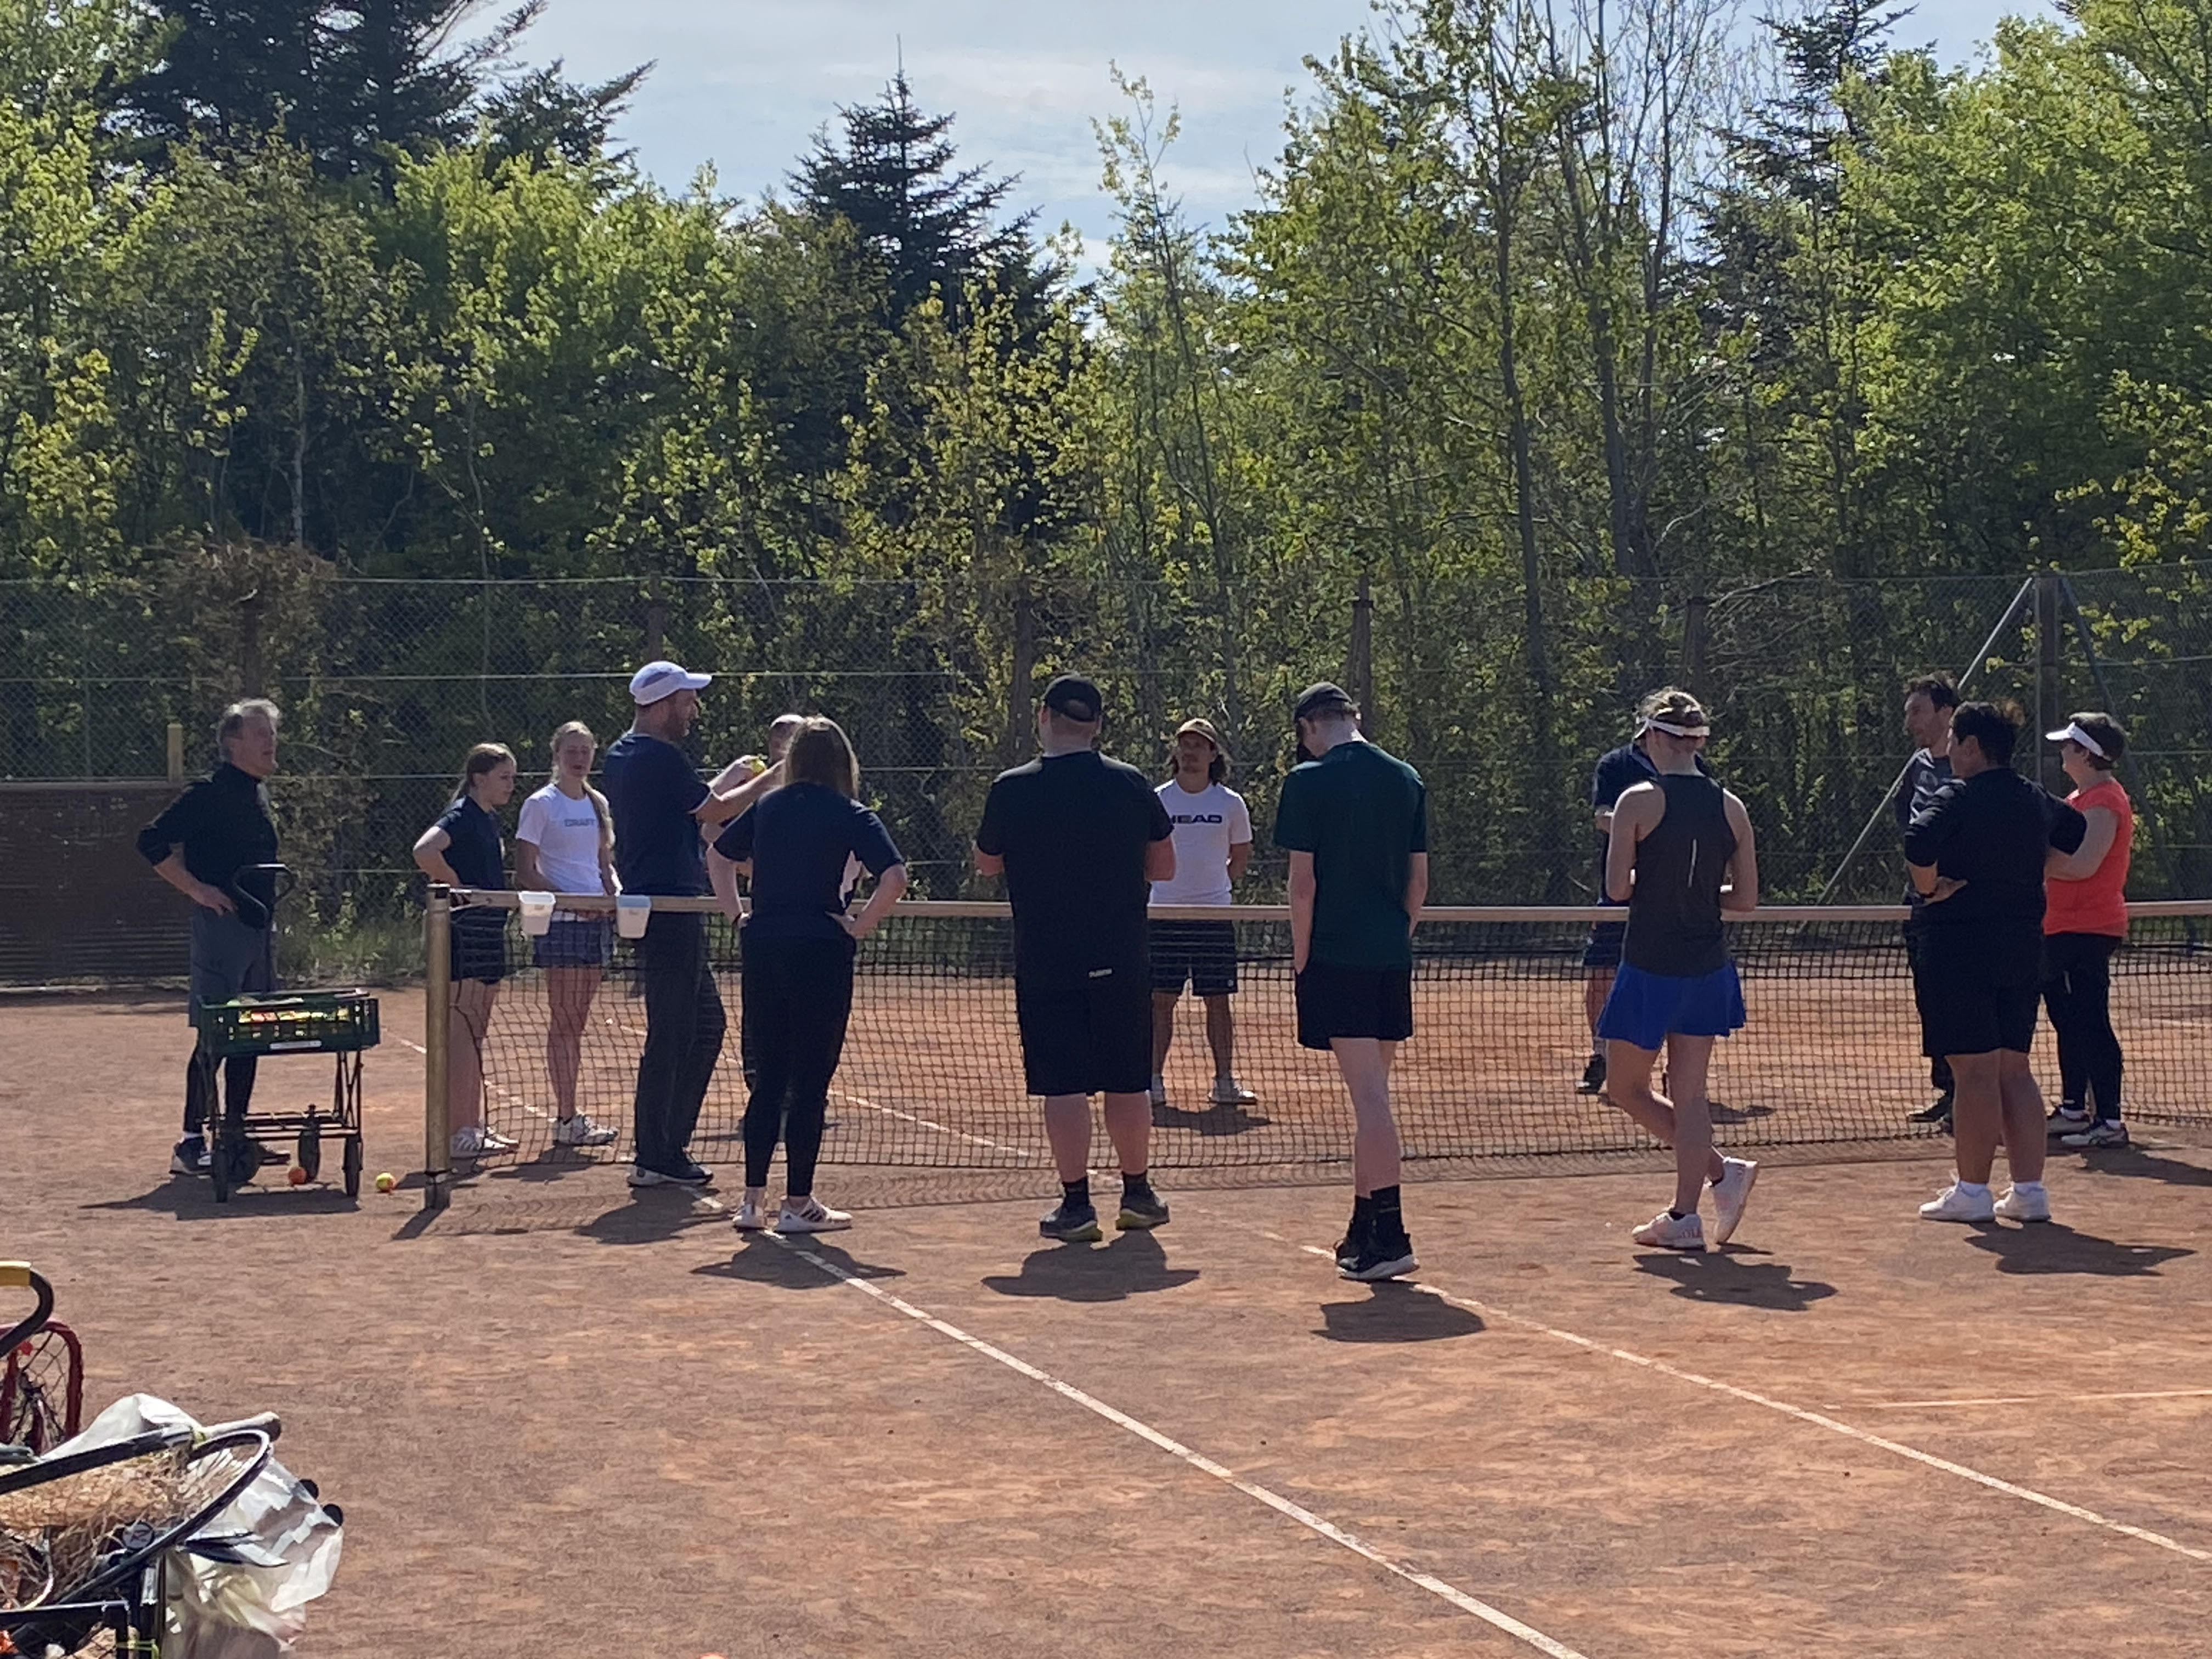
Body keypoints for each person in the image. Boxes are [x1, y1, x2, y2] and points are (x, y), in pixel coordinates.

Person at [975, 674, 1176, 1243]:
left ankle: (1077, 1205)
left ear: (1044, 717)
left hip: (1047, 959)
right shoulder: (1132, 784)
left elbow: (988, 864)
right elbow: (1164, 867)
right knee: (1127, 1079)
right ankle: (1137, 1193)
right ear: (1098, 726)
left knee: (1063, 1085)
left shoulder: (1011, 789)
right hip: (1121, 955)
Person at [708, 718, 908, 1234]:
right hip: (821, 950)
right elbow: (895, 877)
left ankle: (751, 1203)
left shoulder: (768, 807)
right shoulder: (850, 813)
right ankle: (796, 1203)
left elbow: (717, 855)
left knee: (769, 1078)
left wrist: (738, 917)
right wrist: (858, 927)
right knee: (810, 1082)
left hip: (766, 948)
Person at [1904, 701, 2087, 1225]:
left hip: (1959, 946)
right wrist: (2031, 869)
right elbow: (2074, 833)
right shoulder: (2034, 798)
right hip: (2023, 945)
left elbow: (1918, 841)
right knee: (2014, 1069)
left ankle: (1972, 1192)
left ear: (1972, 748)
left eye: (1955, 741)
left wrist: (1929, 890)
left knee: (1974, 1073)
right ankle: (2029, 1193)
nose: (1949, 751)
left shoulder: (1957, 794)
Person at [603, 660, 783, 1189]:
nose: (694, 710)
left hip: (666, 903)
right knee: (675, 1030)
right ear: (662, 706)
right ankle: (655, 1152)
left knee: (703, 1026)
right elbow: (715, 810)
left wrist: (729, 777)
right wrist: (779, 772)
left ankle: (666, 1146)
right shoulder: (658, 757)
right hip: (668, 907)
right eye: (687, 701)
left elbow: (692, 803)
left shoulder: (626, 753)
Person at [1594, 690, 1761, 1253]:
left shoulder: (1635, 802)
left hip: (1650, 965)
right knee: (1689, 1096)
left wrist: (1661, 887)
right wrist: (1691, 890)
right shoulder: (1731, 805)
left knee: (1624, 1086)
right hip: (1706, 966)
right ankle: (1696, 1201)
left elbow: (1618, 889)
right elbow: (1744, 900)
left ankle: (1701, 1197)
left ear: (1661, 739)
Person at [1274, 682, 1428, 1283]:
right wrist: (1397, 937)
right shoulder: (1406, 777)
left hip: (1339, 957)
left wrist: (1302, 956)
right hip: (1390, 953)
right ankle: (1364, 1229)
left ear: (1311, 727)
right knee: (1374, 1098)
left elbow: (1302, 885)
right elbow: (1419, 884)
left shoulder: (1307, 782)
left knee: (1371, 1101)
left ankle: (1390, 1234)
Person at [137, 698, 284, 1176]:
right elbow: (151, 841)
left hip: (257, 930)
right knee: (217, 1037)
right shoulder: (211, 792)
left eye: (272, 733)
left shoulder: (254, 792)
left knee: (251, 1034)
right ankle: (189, 1142)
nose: (271, 742)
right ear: (232, 744)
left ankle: (235, 1135)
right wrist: (197, 890)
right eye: (260, 733)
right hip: (222, 932)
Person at [1578, 720, 1711, 1094]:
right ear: (1648, 731)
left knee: (1679, 978)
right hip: (1619, 890)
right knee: (1603, 972)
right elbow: (1601, 816)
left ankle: (1679, 1069)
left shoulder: (1696, 767)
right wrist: (1640, 825)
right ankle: (1601, 1055)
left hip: (1676, 894)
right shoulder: (1615, 765)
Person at [514, 721, 620, 1149]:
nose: (579, 758)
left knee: (576, 1023)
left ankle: (570, 1118)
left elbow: (603, 863)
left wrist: (615, 896)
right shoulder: (541, 804)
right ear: (556, 754)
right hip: (562, 927)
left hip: (599, 925)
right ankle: (566, 1117)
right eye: (571, 750)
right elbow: (526, 871)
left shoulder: (597, 803)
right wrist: (570, 902)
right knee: (564, 1023)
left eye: (586, 750)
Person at [414, 744, 520, 1161]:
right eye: (504, 778)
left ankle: (469, 1125)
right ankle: (460, 1130)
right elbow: (425, 851)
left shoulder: (486, 820)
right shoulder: (462, 815)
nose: (511, 786)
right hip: (465, 934)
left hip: (488, 934)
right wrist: (456, 887)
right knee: (463, 1035)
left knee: (474, 1035)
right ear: (480, 778)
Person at [1147, 717, 1257, 1114]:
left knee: (1218, 1000)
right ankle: (1153, 1082)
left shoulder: (1230, 803)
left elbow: (1240, 857)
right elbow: (1145, 854)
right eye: (1184, 744)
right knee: (1160, 1000)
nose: (1190, 751)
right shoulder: (1158, 799)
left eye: (1199, 745)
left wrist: (1213, 888)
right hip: (1164, 916)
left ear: (1214, 754)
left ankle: (1224, 1082)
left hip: (1213, 917)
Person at [2041, 712, 2135, 1150]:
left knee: (2090, 1021)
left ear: (2085, 753)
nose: (2061, 751)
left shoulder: (2105, 801)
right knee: (2068, 1018)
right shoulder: (2080, 797)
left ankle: (2110, 1121)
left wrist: (2029, 862)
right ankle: (2075, 1108)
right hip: (2062, 926)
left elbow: (2083, 865)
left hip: (2088, 928)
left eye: (2068, 745)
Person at [1895, 673, 1960, 1126]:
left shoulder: (1970, 765)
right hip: (1921, 904)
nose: (1910, 722)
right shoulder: (1917, 765)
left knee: (1960, 1000)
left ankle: (1969, 1096)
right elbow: (1908, 821)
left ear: (1945, 712)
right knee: (1930, 999)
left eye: (1917, 711)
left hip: (1961, 907)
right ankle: (1949, 1091)